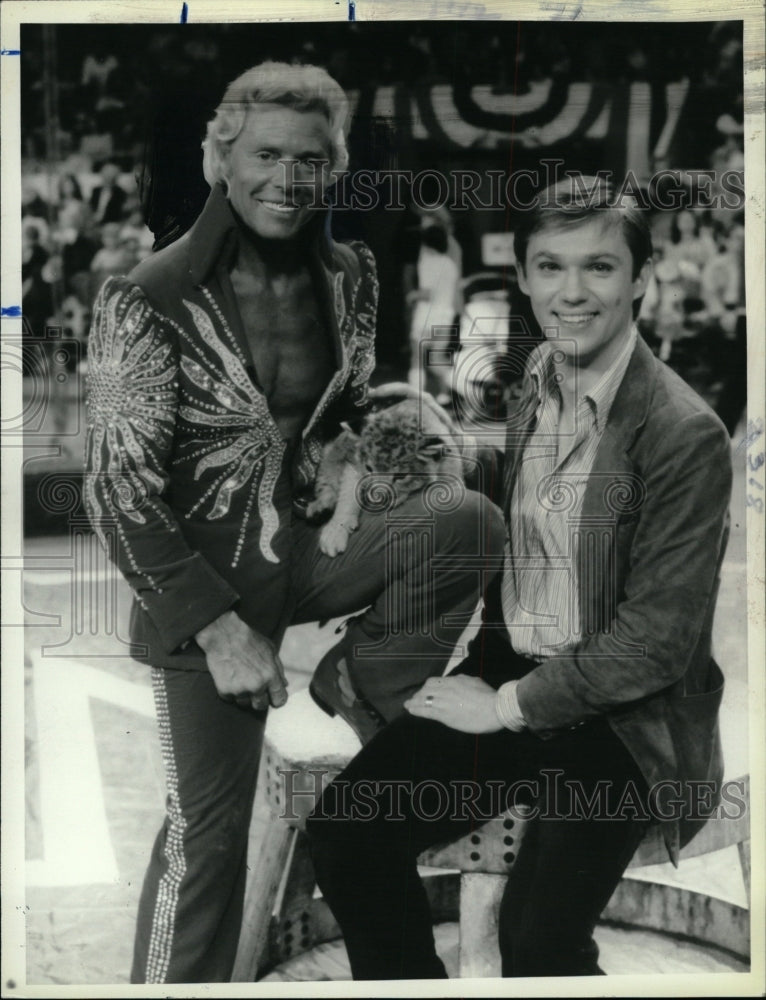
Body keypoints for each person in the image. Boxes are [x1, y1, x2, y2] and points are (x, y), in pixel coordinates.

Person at [83, 61, 503, 984]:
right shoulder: (146, 299)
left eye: (310, 158)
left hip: (309, 548)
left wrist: (381, 451)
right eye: (266, 153)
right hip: (205, 595)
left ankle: (355, 685)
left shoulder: (351, 276)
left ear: (333, 167)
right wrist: (221, 629)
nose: (288, 177)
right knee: (209, 840)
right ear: (218, 160)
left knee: (466, 521)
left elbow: (341, 416)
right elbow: (116, 489)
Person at [307, 176, 733, 979]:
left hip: (625, 720)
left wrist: (500, 709)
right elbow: (528, 507)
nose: (572, 293)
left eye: (600, 268)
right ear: (526, 274)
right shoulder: (537, 377)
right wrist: (416, 466)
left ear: (641, 277)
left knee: (539, 941)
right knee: (345, 832)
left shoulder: (685, 433)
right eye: (551, 267)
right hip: (510, 670)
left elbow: (655, 644)